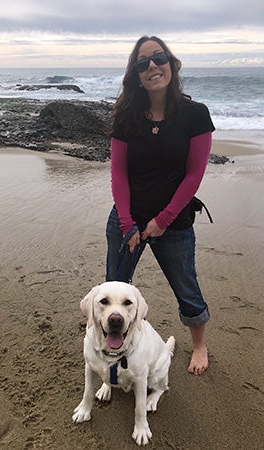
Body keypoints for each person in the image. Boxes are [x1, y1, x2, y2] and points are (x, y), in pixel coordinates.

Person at [105, 36, 215, 375]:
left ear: (171, 63)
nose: (152, 66)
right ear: (136, 74)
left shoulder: (195, 115)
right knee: (114, 291)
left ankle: (198, 344)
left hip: (174, 222)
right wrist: (126, 223)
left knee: (187, 288)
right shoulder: (126, 116)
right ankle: (114, 348)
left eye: (158, 57)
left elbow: (194, 174)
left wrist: (163, 220)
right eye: (142, 63)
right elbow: (118, 174)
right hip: (128, 220)